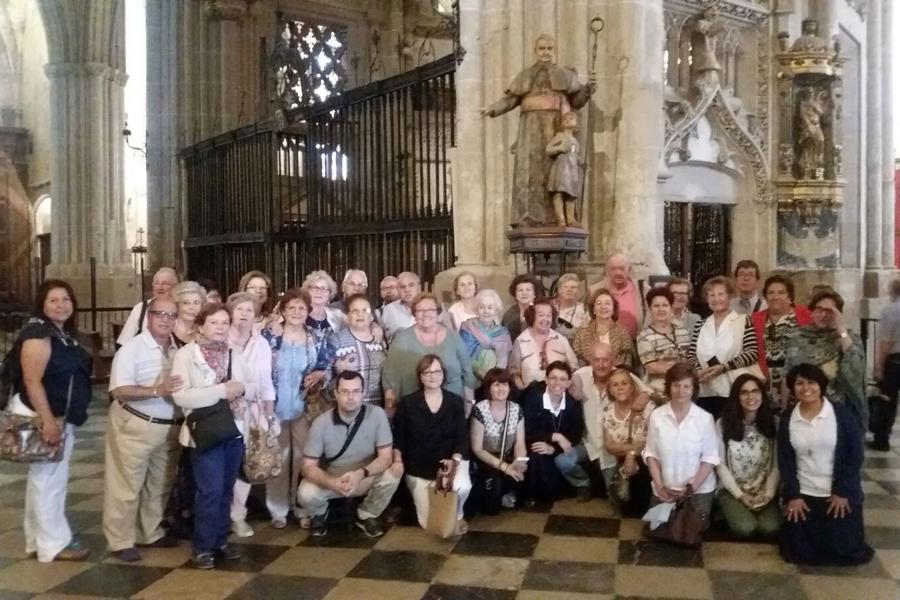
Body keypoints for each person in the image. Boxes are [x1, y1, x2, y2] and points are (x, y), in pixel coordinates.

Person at [5, 280, 93, 562]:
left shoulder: (60, 333)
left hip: (55, 413)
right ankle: (53, 544)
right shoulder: (38, 334)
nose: (61, 305)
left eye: (66, 299)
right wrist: (48, 422)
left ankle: (37, 540)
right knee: (50, 482)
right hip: (42, 413)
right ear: (42, 304)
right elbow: (32, 381)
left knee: (42, 478)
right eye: (54, 300)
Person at [170, 303, 252, 569]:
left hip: (234, 428)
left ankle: (220, 540)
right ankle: (203, 546)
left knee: (227, 488)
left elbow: (247, 385)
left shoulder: (234, 352)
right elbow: (181, 396)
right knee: (210, 490)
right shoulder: (185, 356)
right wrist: (220, 391)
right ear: (201, 325)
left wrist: (240, 389)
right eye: (214, 322)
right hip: (205, 431)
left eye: (224, 323)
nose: (220, 327)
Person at [481, 33, 595, 227]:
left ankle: (557, 218)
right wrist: (492, 109)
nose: (546, 53)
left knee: (556, 172)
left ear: (554, 50)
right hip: (530, 130)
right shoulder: (525, 76)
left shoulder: (565, 75)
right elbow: (511, 100)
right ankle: (529, 218)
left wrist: (588, 89)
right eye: (542, 48)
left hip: (555, 127)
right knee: (530, 172)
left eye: (549, 49)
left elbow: (576, 100)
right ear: (535, 51)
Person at [105, 296, 183, 561]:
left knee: (160, 484)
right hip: (136, 425)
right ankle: (120, 540)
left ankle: (149, 532)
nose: (166, 319)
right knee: (126, 485)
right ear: (149, 317)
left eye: (171, 315)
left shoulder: (177, 349)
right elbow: (119, 390)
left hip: (169, 427)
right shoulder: (132, 349)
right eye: (160, 314)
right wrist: (156, 390)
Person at [778, 363, 874, 566]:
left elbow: (855, 454)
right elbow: (785, 460)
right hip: (804, 492)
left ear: (821, 385)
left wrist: (842, 490)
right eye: (799, 383)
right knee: (798, 551)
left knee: (844, 551)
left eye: (811, 382)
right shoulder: (788, 418)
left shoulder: (840, 414)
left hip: (836, 492)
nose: (806, 388)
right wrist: (793, 495)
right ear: (792, 387)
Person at [298, 371, 401, 538]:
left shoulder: (377, 415)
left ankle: (367, 514)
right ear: (336, 394)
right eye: (345, 391)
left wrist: (360, 474)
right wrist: (331, 482)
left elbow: (385, 457)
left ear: (363, 393)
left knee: (393, 475)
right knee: (305, 493)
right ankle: (319, 513)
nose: (350, 397)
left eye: (355, 391)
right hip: (332, 479)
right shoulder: (321, 423)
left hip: (364, 477)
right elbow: (308, 467)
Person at [393, 355, 472, 535]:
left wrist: (455, 460)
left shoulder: (455, 402)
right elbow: (399, 438)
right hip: (419, 466)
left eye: (437, 371)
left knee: (462, 486)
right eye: (427, 372)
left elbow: (462, 437)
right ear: (420, 376)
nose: (432, 376)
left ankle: (458, 514)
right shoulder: (408, 403)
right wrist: (397, 459)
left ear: (443, 374)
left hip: (451, 461)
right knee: (429, 523)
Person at [261, 288, 318, 529]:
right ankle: (278, 509)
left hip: (304, 408)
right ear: (283, 310)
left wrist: (320, 373)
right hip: (274, 407)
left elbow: (325, 363)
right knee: (278, 459)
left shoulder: (315, 336)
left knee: (303, 458)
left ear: (308, 312)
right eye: (291, 307)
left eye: (302, 308)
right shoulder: (270, 335)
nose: (297, 312)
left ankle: (301, 505)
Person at [643, 363, 720, 542]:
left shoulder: (704, 418)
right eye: (676, 385)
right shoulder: (657, 416)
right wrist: (660, 485)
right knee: (656, 530)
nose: (681, 391)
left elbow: (710, 458)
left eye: (686, 386)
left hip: (696, 490)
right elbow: (651, 454)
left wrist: (691, 487)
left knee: (689, 533)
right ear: (669, 387)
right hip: (665, 488)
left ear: (694, 389)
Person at [226, 292, 277, 538]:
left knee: (245, 466)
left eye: (249, 310)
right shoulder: (220, 339)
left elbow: (266, 382)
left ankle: (238, 515)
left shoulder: (262, 343)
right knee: (223, 466)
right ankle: (217, 517)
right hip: (223, 412)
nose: (244, 314)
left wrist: (269, 416)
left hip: (253, 412)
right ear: (230, 312)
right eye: (239, 309)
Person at [784, 290, 866, 430]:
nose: (823, 314)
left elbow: (856, 366)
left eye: (829, 311)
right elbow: (788, 372)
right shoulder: (799, 337)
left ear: (838, 313)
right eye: (819, 309)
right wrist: (784, 407)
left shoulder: (848, 338)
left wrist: (841, 328)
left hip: (837, 408)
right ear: (812, 311)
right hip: (803, 406)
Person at [383, 292, 476, 416]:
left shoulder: (453, 337)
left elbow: (467, 371)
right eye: (420, 310)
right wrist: (390, 406)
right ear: (414, 314)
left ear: (438, 312)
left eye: (430, 309)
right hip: (414, 410)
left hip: (451, 407)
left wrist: (468, 402)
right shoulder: (401, 339)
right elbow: (390, 374)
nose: (425, 314)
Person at [715, 374, 780, 539]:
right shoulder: (722, 424)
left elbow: (776, 466)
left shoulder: (775, 423)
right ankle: (724, 510)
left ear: (762, 395)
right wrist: (740, 495)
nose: (751, 397)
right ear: (736, 397)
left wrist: (769, 495)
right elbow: (720, 464)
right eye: (744, 392)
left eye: (755, 391)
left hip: (764, 490)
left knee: (770, 528)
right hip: (732, 490)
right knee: (746, 528)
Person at [687, 276, 759, 419]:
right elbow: (691, 354)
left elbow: (752, 352)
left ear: (729, 296)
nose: (716, 299)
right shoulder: (700, 325)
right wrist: (700, 371)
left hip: (732, 388)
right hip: (705, 390)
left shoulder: (742, 321)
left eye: (721, 294)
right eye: (711, 295)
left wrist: (724, 367)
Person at [521, 362, 590, 503]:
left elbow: (576, 434)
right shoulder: (533, 399)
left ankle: (581, 485)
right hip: (537, 442)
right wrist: (555, 437)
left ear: (569, 382)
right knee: (537, 451)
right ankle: (533, 494)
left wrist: (554, 448)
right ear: (546, 379)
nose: (557, 383)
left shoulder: (573, 403)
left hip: (563, 447)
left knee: (563, 460)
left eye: (563, 379)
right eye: (553, 378)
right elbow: (527, 430)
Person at [469, 369, 528, 514]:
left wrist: (520, 461)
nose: (501, 389)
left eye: (504, 384)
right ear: (488, 388)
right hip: (486, 461)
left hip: (507, 457)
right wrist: (504, 467)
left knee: (526, 472)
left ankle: (509, 493)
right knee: (491, 507)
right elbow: (477, 449)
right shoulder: (480, 409)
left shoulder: (516, 409)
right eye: (496, 385)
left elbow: (520, 443)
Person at [750, 274, 812, 409]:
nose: (775, 296)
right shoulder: (755, 319)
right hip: (765, 381)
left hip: (795, 381)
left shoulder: (805, 315)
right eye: (771, 292)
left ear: (790, 296)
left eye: (781, 292)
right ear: (765, 296)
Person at [601, 367, 654, 516]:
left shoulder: (647, 408)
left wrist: (631, 454)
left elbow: (650, 441)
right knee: (626, 509)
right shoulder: (607, 411)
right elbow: (609, 445)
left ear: (632, 387)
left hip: (646, 461)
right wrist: (631, 450)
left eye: (624, 383)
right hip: (620, 461)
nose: (620, 388)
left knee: (640, 510)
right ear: (610, 390)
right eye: (615, 385)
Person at [327, 293, 386, 408]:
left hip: (376, 408)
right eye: (355, 311)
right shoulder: (336, 340)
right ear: (348, 316)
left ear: (372, 317)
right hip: (345, 407)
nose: (360, 314)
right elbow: (327, 373)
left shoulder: (380, 339)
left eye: (365, 310)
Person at [508, 298, 578, 389]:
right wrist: (522, 389)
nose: (546, 319)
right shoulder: (521, 341)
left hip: (559, 393)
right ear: (532, 316)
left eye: (549, 315)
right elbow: (514, 373)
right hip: (531, 396)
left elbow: (574, 368)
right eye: (541, 315)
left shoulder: (561, 339)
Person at [637, 288, 691, 400]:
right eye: (656, 306)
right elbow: (653, 367)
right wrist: (682, 369)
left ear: (671, 307)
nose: (661, 309)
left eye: (665, 305)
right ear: (650, 309)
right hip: (659, 393)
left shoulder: (683, 331)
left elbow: (691, 358)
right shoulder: (644, 336)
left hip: (686, 391)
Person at [458, 289, 512, 385]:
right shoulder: (467, 328)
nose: (486, 311)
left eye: (490, 307)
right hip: (472, 379)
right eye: (481, 307)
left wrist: (495, 378)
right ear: (476, 309)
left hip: (496, 382)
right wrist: (483, 375)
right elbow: (465, 356)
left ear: (496, 310)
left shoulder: (503, 333)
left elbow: (504, 360)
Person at [301, 270, 340, 401]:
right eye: (315, 288)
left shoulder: (339, 317)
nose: (319, 291)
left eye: (324, 288)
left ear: (330, 294)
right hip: (300, 385)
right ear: (307, 292)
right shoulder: (297, 315)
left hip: (329, 387)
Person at [573, 288, 634, 369]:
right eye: (598, 303)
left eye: (607, 303)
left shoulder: (622, 332)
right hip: (587, 375)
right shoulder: (582, 332)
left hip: (615, 375)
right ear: (593, 309)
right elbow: (577, 359)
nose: (603, 307)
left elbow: (626, 362)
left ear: (613, 309)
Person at [117, 267, 179, 346]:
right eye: (156, 283)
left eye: (165, 283)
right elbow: (125, 342)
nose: (160, 287)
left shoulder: (182, 309)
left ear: (175, 287)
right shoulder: (140, 308)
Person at [589, 253, 645, 338]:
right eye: (613, 269)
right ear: (607, 271)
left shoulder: (642, 289)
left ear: (629, 270)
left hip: (636, 344)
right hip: (604, 344)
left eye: (622, 268)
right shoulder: (594, 290)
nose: (618, 273)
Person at [873, 278, 900, 450]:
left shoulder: (891, 310)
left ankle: (882, 439)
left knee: (887, 401)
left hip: (896, 360)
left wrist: (879, 365)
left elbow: (886, 341)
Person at [546, 111, 583, 227]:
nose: (568, 120)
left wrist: (579, 160)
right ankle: (561, 219)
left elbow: (574, 154)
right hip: (562, 168)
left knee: (571, 195)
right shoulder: (560, 136)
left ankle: (571, 220)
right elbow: (548, 149)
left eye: (571, 118)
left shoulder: (576, 141)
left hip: (572, 171)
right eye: (565, 119)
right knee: (559, 193)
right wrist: (560, 148)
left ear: (576, 123)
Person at [501, 274, 545, 343]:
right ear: (515, 295)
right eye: (520, 290)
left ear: (534, 294)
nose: (524, 293)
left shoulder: (543, 312)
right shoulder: (509, 315)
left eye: (528, 290)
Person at [381, 271, 421, 342]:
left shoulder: (431, 308)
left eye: (411, 285)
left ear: (419, 287)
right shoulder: (389, 310)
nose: (407, 290)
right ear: (398, 290)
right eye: (402, 287)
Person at [553, 273, 588, 341]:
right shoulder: (550, 308)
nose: (569, 290)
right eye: (565, 287)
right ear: (559, 290)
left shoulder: (585, 310)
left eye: (573, 287)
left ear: (578, 291)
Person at [171, 281, 206, 347]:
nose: (192, 308)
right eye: (186, 303)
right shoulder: (168, 329)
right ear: (176, 305)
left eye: (196, 302)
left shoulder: (205, 330)